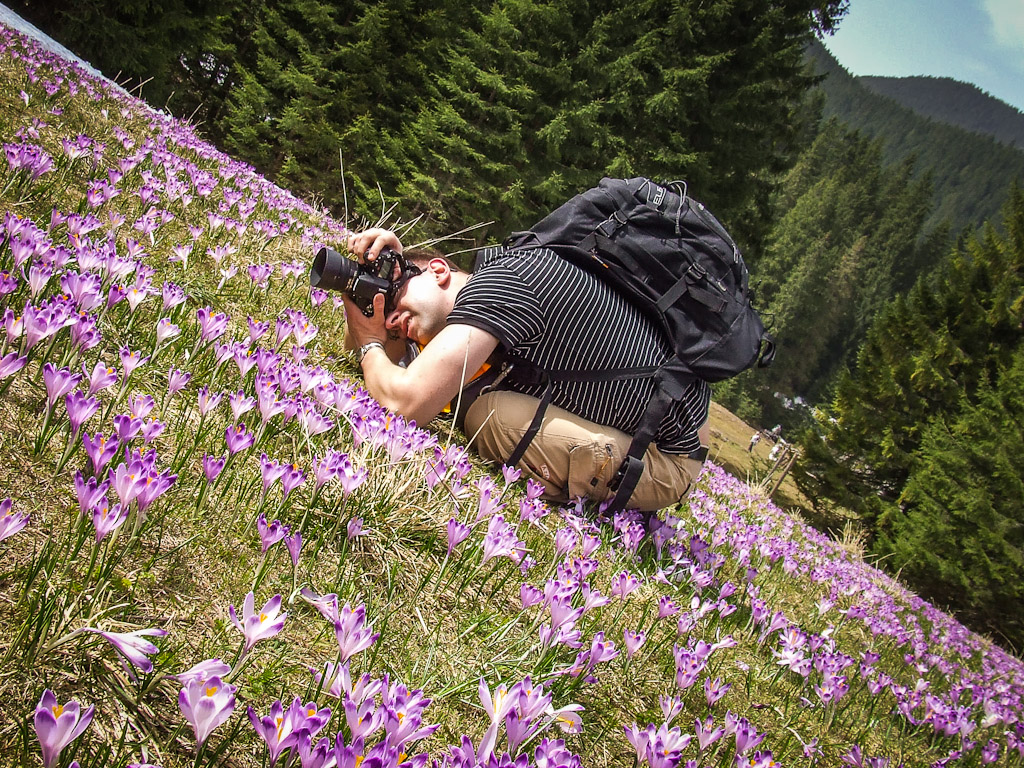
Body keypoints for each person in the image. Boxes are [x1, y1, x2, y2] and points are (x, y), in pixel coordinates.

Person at [341, 227, 711, 512]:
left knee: (491, 417)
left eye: (393, 299)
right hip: (666, 420)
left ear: (438, 271)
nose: (390, 320)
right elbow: (378, 361)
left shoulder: (501, 287)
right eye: (385, 312)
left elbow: (404, 407)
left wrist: (370, 341)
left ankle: (597, 498)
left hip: (667, 456)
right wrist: (379, 286)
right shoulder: (498, 276)